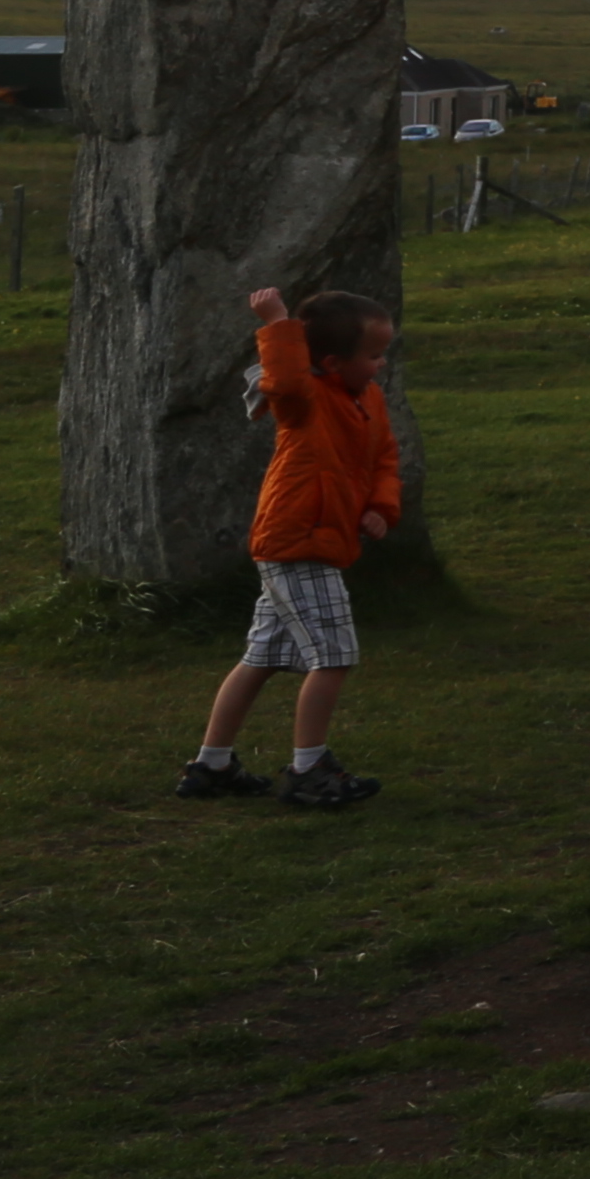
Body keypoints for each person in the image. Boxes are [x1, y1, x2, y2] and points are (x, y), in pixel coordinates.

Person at [174, 281, 402, 809]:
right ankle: (309, 770)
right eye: (372, 355)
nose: (381, 365)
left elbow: (383, 458)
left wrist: (379, 508)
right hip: (296, 543)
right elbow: (288, 382)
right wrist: (278, 324)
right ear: (330, 360)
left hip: (313, 543)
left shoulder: (367, 399)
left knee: (263, 656)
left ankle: (212, 764)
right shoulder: (305, 400)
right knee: (335, 655)